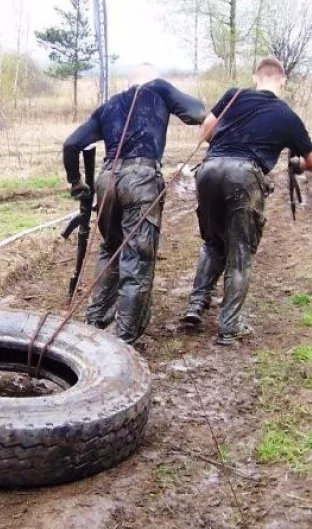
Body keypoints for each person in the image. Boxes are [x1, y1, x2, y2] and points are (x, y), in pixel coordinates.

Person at [62, 63, 207, 344]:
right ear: (152, 80)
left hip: (107, 180)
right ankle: (124, 340)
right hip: (141, 179)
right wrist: (162, 87)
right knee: (136, 259)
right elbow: (197, 113)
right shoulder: (159, 90)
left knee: (110, 249)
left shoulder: (109, 106)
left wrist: (76, 182)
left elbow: (71, 145)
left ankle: (94, 323)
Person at [181, 56, 312, 346]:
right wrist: (298, 164)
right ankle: (229, 326)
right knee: (240, 251)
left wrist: (226, 144)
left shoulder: (233, 96)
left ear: (256, 77)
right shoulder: (287, 115)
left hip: (208, 169)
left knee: (212, 242)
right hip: (244, 176)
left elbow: (206, 130)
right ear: (283, 81)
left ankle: (196, 305)